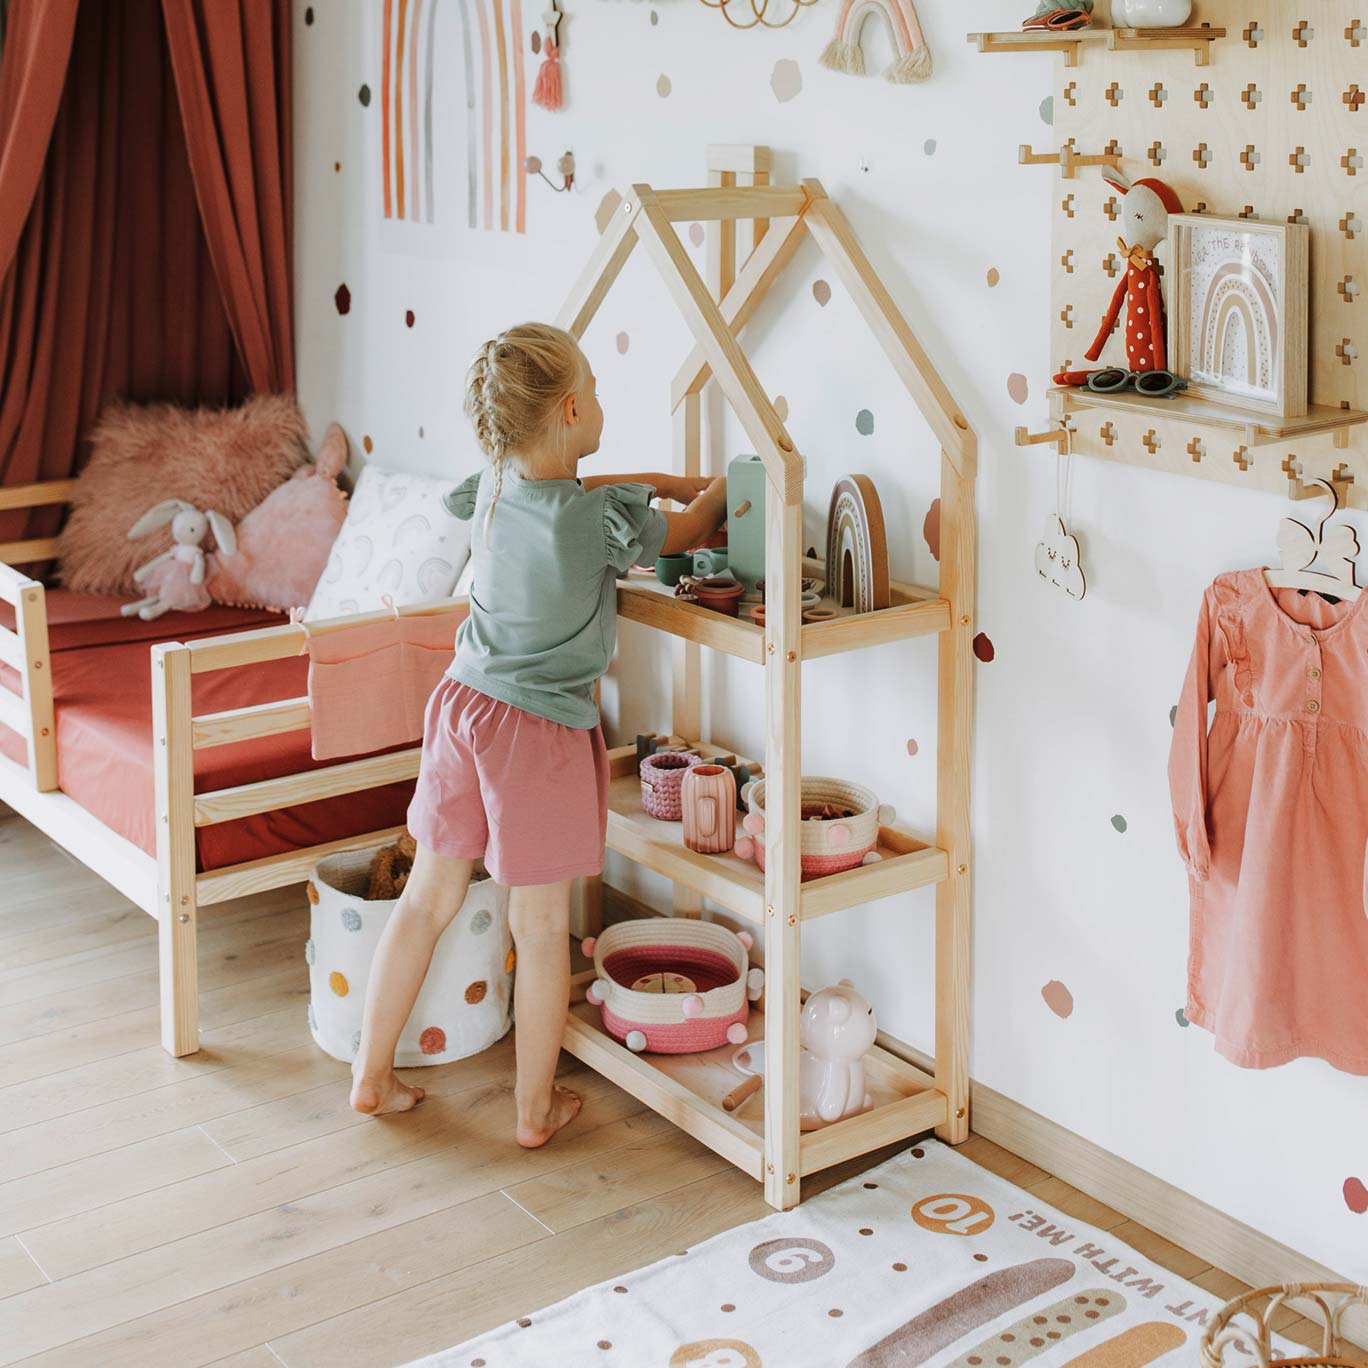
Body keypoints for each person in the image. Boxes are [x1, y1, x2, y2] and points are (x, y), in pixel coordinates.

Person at [350, 322, 728, 1147]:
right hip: (538, 732)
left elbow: (565, 485)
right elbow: (691, 531)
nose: (600, 406)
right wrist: (731, 484)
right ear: (569, 408)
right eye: (593, 392)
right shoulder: (600, 523)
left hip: (461, 708)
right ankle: (533, 1109)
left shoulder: (489, 487)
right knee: (539, 922)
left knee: (428, 900)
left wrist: (656, 475)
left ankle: (371, 1075)